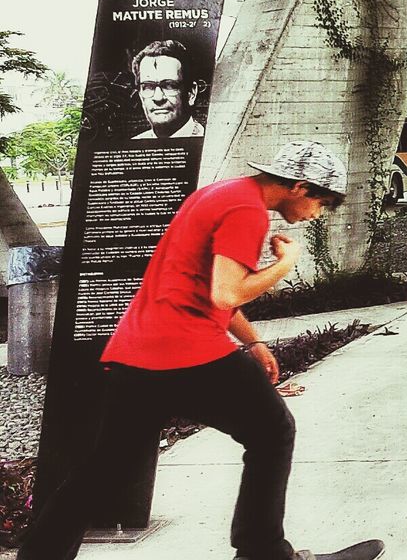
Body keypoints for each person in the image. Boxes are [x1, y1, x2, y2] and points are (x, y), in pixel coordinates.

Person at [17, 141, 372, 560]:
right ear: (299, 186)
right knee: (273, 433)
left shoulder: (221, 193)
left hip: (139, 351)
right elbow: (226, 293)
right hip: (188, 350)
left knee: (106, 468)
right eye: (322, 203)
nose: (317, 214)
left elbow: (199, 285)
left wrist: (252, 340)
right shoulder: (247, 211)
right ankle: (264, 552)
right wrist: (285, 264)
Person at [130, 39, 205, 139]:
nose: (158, 98)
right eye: (148, 87)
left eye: (169, 85)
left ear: (191, 93)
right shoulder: (134, 145)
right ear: (140, 95)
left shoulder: (211, 142)